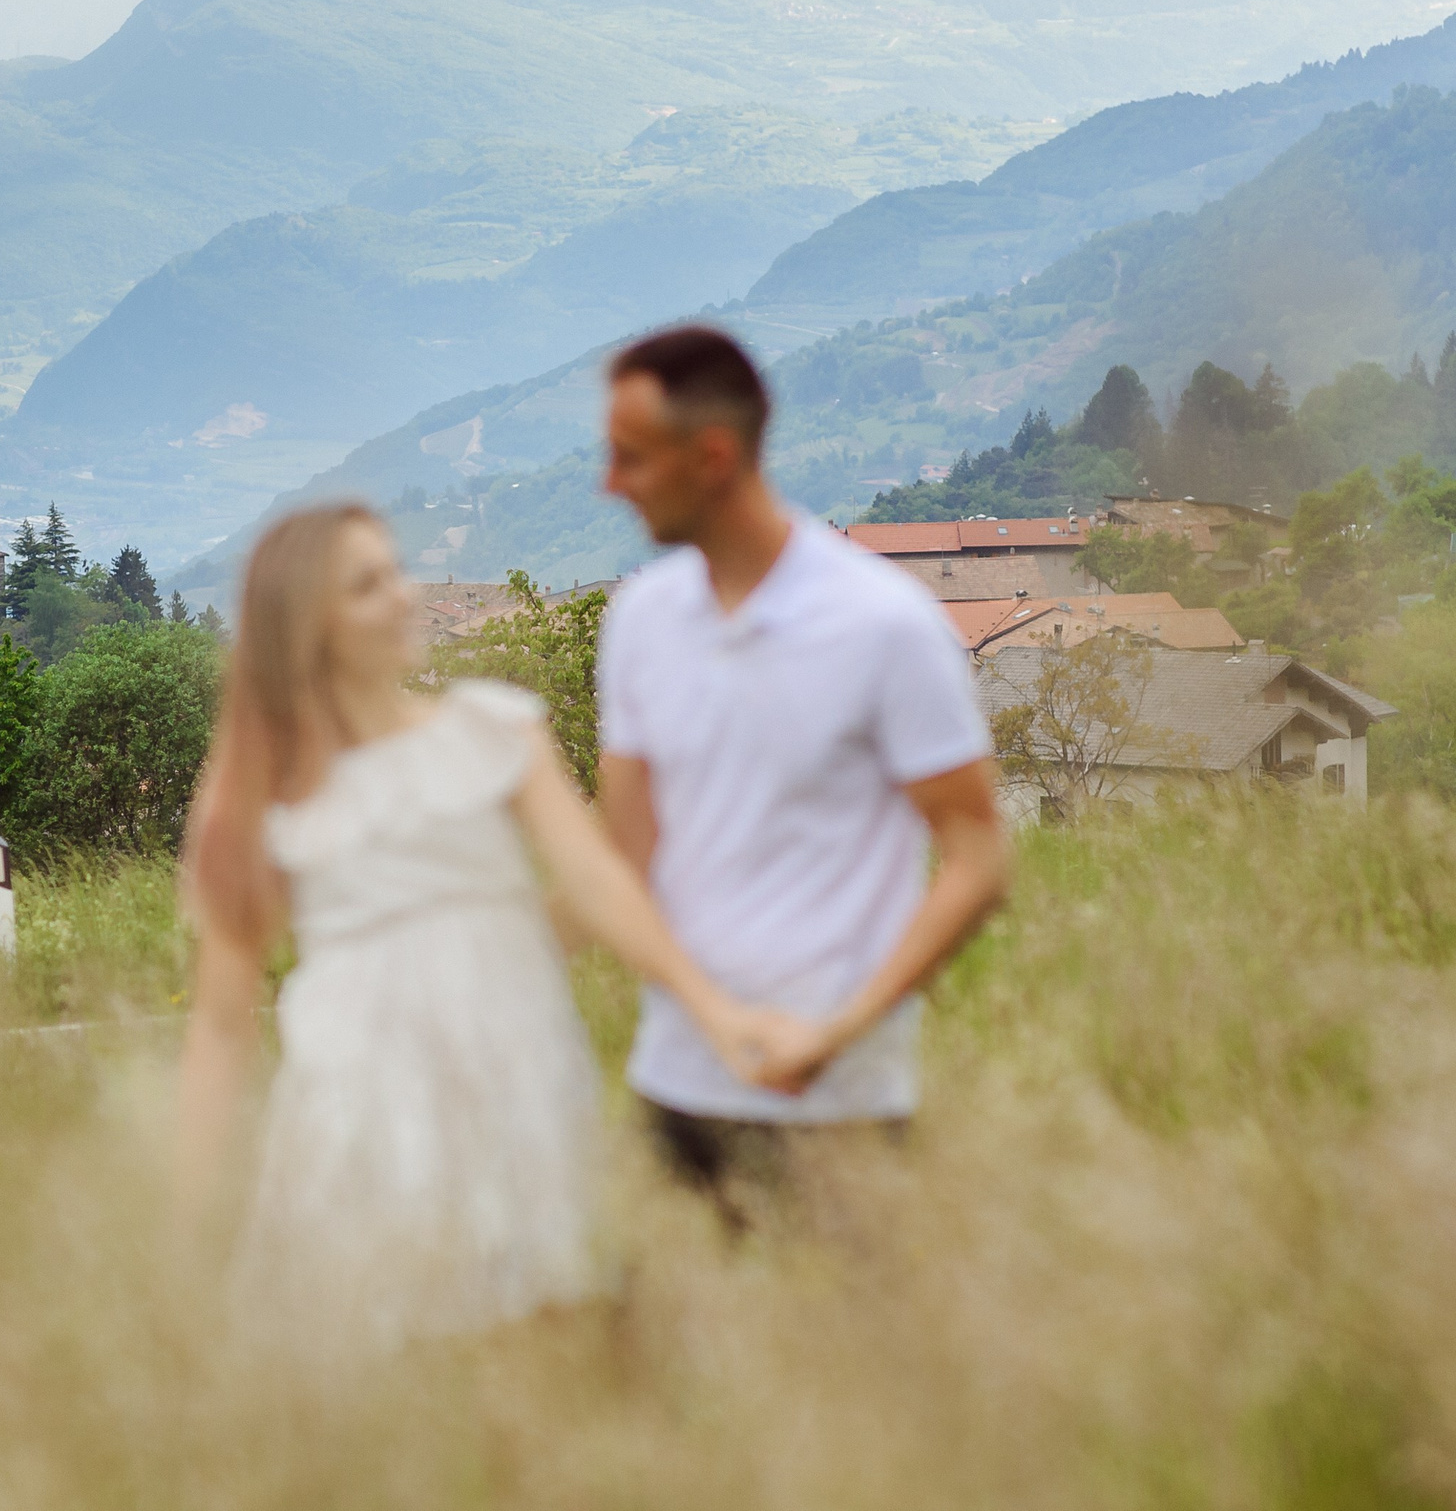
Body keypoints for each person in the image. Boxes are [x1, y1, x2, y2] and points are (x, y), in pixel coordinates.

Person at [173, 501, 794, 1347]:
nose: (404, 595)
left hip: (515, 1078)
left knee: (542, 1338)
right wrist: (182, 1224)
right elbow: (219, 1024)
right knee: (382, 1350)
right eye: (367, 585)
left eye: (395, 571)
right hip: (357, 1107)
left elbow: (599, 883)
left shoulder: (494, 730)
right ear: (309, 624)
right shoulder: (262, 795)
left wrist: (715, 1011)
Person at [594, 324, 1012, 1225]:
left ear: (712, 457)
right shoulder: (639, 621)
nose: (609, 483)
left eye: (631, 457)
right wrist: (714, 1017)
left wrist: (839, 1031)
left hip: (841, 1102)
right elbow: (619, 864)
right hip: (676, 1080)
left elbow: (978, 858)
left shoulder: (886, 625)